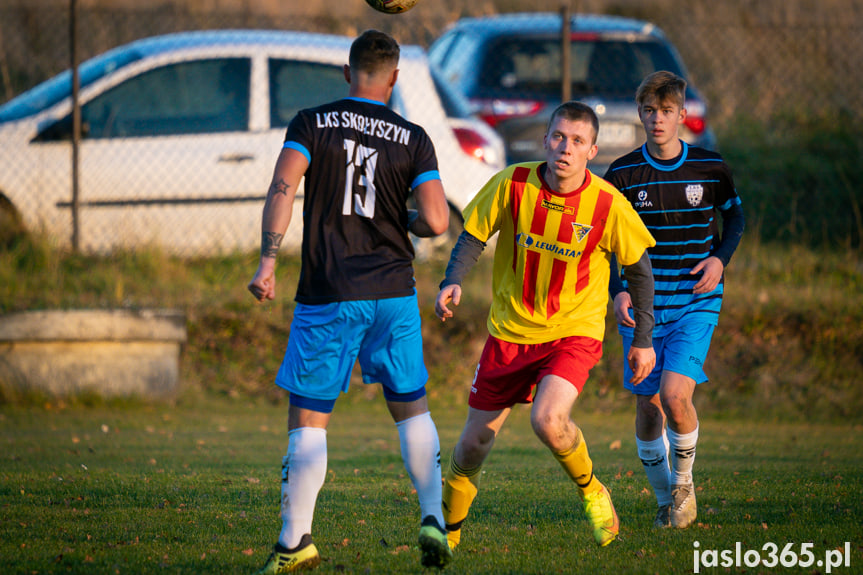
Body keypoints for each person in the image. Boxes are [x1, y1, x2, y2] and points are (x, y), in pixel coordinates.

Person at [247, 30, 453, 573]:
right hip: (393, 292)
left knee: (309, 417)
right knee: (410, 403)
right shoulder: (413, 138)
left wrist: (268, 262)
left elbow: (282, 189)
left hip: (329, 291)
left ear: (347, 72)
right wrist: (398, 220)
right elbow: (435, 220)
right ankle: (433, 516)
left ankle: (295, 543)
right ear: (394, 78)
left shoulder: (311, 123)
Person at [435, 101, 657, 550]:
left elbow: (639, 269)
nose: (565, 148)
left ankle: (593, 489)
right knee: (473, 444)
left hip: (572, 331)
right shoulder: (513, 182)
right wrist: (452, 280)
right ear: (545, 140)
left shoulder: (606, 204)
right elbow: (474, 234)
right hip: (510, 332)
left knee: (549, 419)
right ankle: (447, 534)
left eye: (577, 141)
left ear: (592, 150)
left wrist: (643, 339)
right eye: (559, 137)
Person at [604, 70, 745, 530]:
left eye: (666, 111)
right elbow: (607, 244)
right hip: (643, 306)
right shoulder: (623, 174)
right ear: (640, 114)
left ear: (682, 115)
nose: (657, 119)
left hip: (694, 300)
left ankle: (683, 485)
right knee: (649, 407)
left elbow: (735, 219)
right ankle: (667, 498)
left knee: (674, 395)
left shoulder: (710, 168)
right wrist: (618, 288)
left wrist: (720, 259)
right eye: (649, 111)